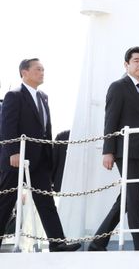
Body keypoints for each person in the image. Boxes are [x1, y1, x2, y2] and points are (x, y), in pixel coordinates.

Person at [0, 58, 81, 252]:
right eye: (38, 69)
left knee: (46, 202)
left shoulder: (43, 97)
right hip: (17, 159)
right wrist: (13, 152)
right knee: (5, 202)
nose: (42, 72)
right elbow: (7, 126)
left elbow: (47, 130)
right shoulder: (14, 95)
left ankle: (57, 242)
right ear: (24, 72)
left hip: (40, 160)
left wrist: (49, 156)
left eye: (43, 69)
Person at [88, 47, 139, 251]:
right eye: (136, 60)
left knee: (127, 198)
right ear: (126, 64)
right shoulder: (118, 87)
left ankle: (97, 242)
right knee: (135, 198)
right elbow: (110, 120)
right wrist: (107, 151)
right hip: (125, 151)